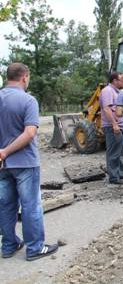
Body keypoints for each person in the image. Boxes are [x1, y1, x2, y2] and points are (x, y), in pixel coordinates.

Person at [0, 63, 58, 261]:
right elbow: (30, 133)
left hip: (2, 164)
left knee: (6, 206)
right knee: (30, 205)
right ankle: (34, 248)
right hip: (24, 162)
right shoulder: (28, 100)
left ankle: (8, 245)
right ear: (24, 77)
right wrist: (6, 151)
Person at [100, 72, 123, 184]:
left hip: (119, 126)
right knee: (113, 151)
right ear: (114, 81)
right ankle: (113, 177)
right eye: (120, 80)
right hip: (112, 127)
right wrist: (114, 124)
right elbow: (107, 109)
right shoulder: (107, 91)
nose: (122, 82)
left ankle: (119, 173)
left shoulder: (116, 92)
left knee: (119, 151)